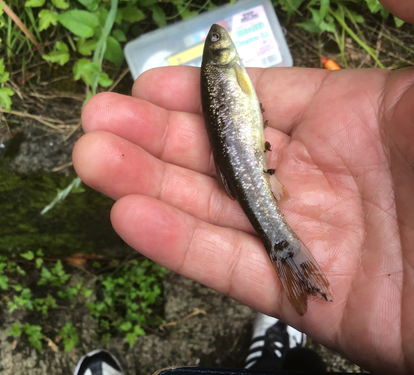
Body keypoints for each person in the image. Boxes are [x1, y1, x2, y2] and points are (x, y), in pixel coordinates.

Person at [72, 0, 414, 373]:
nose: (223, 41)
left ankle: (274, 338)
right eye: (220, 44)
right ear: (225, 57)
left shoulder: (223, 73)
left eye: (218, 42)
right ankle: (279, 331)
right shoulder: (226, 71)